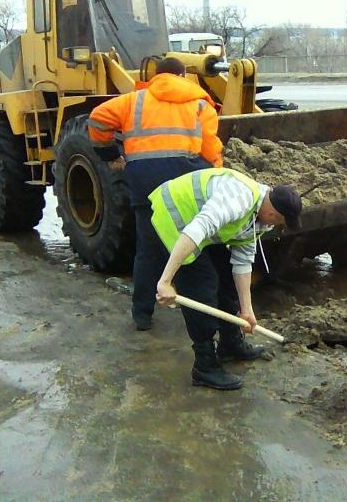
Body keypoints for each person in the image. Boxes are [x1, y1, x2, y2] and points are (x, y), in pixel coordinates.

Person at [87, 57, 223, 331]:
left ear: (156, 76)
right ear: (183, 75)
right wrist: (216, 176)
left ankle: (142, 314)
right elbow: (210, 149)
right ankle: (195, 312)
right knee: (189, 244)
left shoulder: (133, 101)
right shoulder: (199, 104)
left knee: (148, 250)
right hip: (184, 182)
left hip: (145, 181)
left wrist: (110, 153)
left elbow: (97, 118)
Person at [152, 167, 303, 390]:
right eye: (281, 221)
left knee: (226, 278)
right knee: (203, 287)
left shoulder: (259, 219)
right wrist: (165, 282)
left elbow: (242, 263)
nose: (278, 226)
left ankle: (230, 343)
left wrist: (247, 310)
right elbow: (196, 230)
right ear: (273, 213)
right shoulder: (239, 199)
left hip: (201, 227)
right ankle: (204, 366)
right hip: (177, 217)